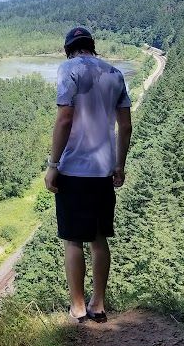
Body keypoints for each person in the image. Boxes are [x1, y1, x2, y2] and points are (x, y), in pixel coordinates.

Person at [44, 26, 132, 324]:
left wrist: (53, 164)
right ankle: (99, 304)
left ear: (69, 49)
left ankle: (78, 307)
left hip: (73, 169)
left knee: (72, 240)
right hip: (103, 169)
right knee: (98, 239)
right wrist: (119, 165)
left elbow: (65, 118)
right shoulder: (115, 74)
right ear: (92, 47)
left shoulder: (69, 69)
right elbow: (126, 126)